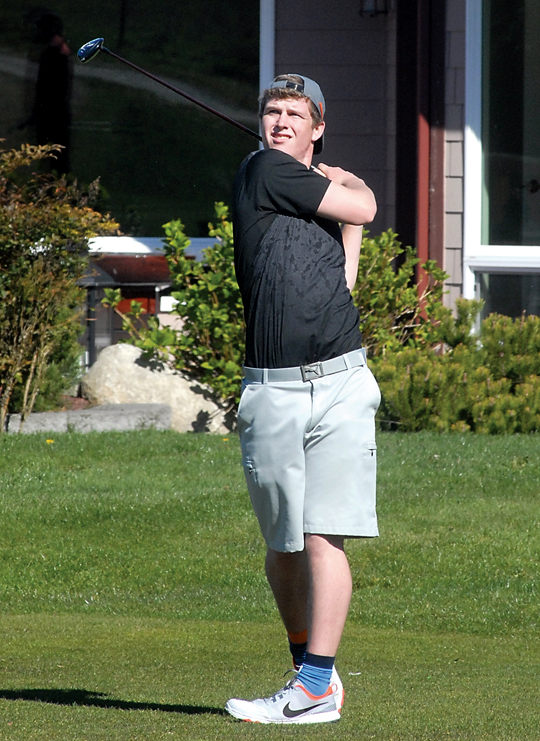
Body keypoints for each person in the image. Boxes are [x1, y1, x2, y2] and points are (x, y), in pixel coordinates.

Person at [225, 74, 380, 725]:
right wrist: (354, 187)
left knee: (325, 537)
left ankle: (316, 685)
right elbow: (366, 205)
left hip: (342, 379)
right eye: (272, 110)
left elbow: (348, 260)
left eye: (296, 113)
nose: (281, 120)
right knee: (284, 547)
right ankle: (307, 668)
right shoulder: (262, 170)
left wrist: (350, 196)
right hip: (274, 388)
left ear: (318, 127)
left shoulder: (318, 199)